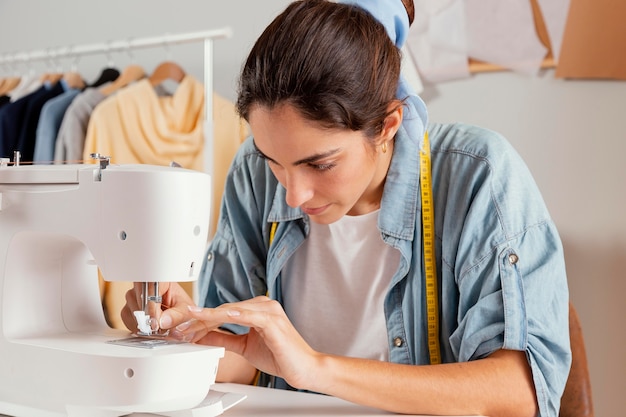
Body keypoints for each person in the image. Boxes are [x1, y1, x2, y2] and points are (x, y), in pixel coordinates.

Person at [122, 1, 571, 416]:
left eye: (320, 163)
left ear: (388, 125)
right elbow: (245, 362)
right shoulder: (252, 175)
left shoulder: (478, 177)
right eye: (273, 160)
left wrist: (315, 369)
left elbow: (518, 394)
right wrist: (182, 339)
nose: (292, 195)